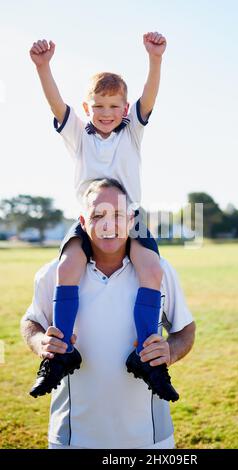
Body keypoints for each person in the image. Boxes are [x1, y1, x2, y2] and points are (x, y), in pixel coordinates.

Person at [28, 33, 173, 399]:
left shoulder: (132, 133)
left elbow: (150, 96)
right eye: (99, 106)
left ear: (125, 109)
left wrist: (155, 60)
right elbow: (55, 103)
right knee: (66, 269)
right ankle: (59, 357)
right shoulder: (78, 135)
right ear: (87, 108)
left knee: (153, 271)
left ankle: (146, 357)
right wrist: (43, 67)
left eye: (113, 107)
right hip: (88, 222)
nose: (106, 114)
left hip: (131, 220)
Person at [21, 179, 195, 449]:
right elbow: (30, 322)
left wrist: (169, 351)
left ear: (131, 220)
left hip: (149, 438)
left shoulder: (160, 270)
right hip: (71, 437)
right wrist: (39, 342)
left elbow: (185, 330)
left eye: (117, 215)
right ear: (82, 220)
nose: (108, 224)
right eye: (98, 215)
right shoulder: (53, 272)